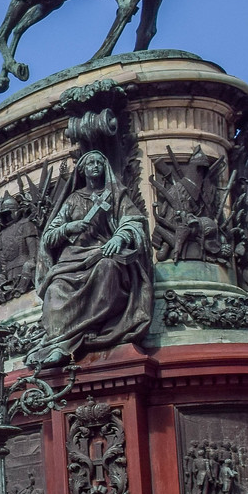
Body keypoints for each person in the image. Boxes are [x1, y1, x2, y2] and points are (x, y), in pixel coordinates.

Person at [34, 150, 152, 364]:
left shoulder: (115, 195)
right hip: (72, 260)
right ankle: (58, 343)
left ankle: (79, 336)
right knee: (54, 290)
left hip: (104, 253)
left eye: (99, 162)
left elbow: (133, 220)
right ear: (83, 170)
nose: (95, 166)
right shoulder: (73, 199)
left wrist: (119, 238)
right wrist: (70, 227)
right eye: (90, 163)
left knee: (107, 269)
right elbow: (49, 236)